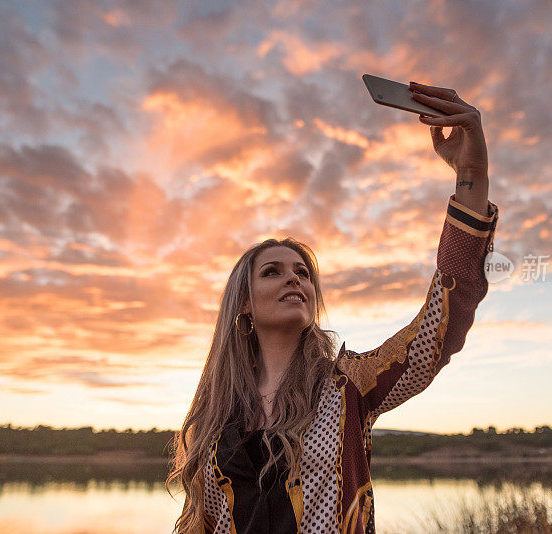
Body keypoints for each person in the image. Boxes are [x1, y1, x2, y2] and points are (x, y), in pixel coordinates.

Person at [166, 81, 500, 533]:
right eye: (272, 272)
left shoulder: (351, 388)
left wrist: (471, 173)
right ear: (242, 304)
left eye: (303, 273)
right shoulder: (214, 412)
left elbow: (443, 320)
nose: (294, 278)